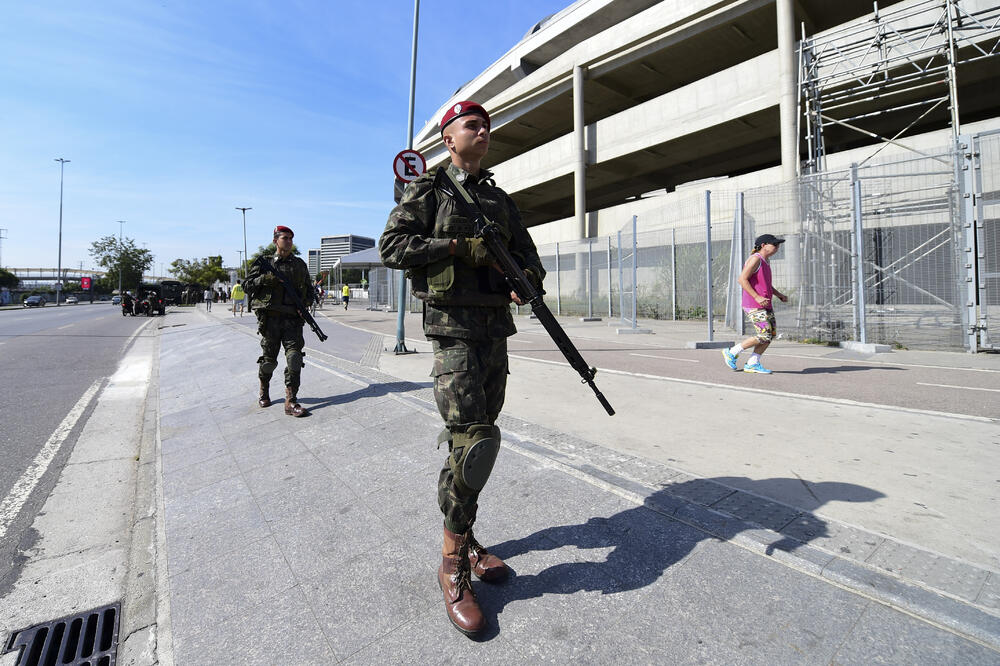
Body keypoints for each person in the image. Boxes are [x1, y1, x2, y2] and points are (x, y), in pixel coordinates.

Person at [379, 100, 546, 637]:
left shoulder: (498, 197)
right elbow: (393, 246)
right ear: (448, 138)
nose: (483, 132)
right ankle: (452, 563)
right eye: (472, 126)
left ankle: (466, 536)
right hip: (452, 330)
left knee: (475, 441)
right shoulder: (427, 189)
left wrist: (530, 280)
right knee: (474, 443)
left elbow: (527, 252)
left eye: (487, 126)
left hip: (494, 330)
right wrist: (459, 246)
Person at [242, 225, 314, 417]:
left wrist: (304, 304)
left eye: (291, 238)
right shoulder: (264, 263)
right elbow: (246, 285)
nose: (289, 241)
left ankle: (291, 401)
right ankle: (264, 390)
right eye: (285, 238)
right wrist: (266, 279)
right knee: (269, 361)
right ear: (275, 241)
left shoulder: (299, 264)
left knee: (294, 358)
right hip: (271, 321)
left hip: (292, 320)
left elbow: (310, 290)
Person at [723, 234, 789, 374]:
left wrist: (779, 295)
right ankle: (732, 352)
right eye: (775, 245)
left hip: (765, 304)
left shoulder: (766, 261)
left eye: (778, 245)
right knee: (764, 334)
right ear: (764, 245)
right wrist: (757, 297)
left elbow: (766, 284)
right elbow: (742, 280)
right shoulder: (755, 259)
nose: (777, 247)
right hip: (753, 304)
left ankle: (753, 363)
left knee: (770, 334)